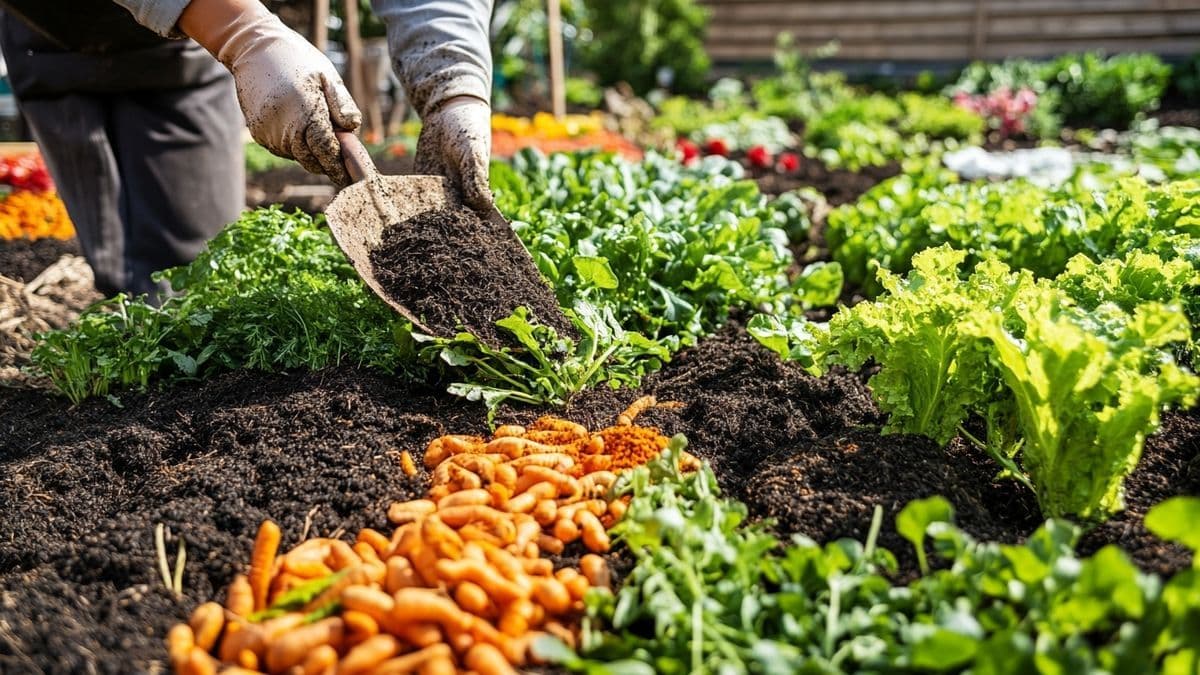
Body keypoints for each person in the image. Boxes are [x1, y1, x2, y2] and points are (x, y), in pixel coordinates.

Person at [0, 0, 493, 299]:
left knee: (193, 271)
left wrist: (454, 85)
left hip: (187, 52)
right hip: (57, 32)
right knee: (111, 261)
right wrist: (241, 31)